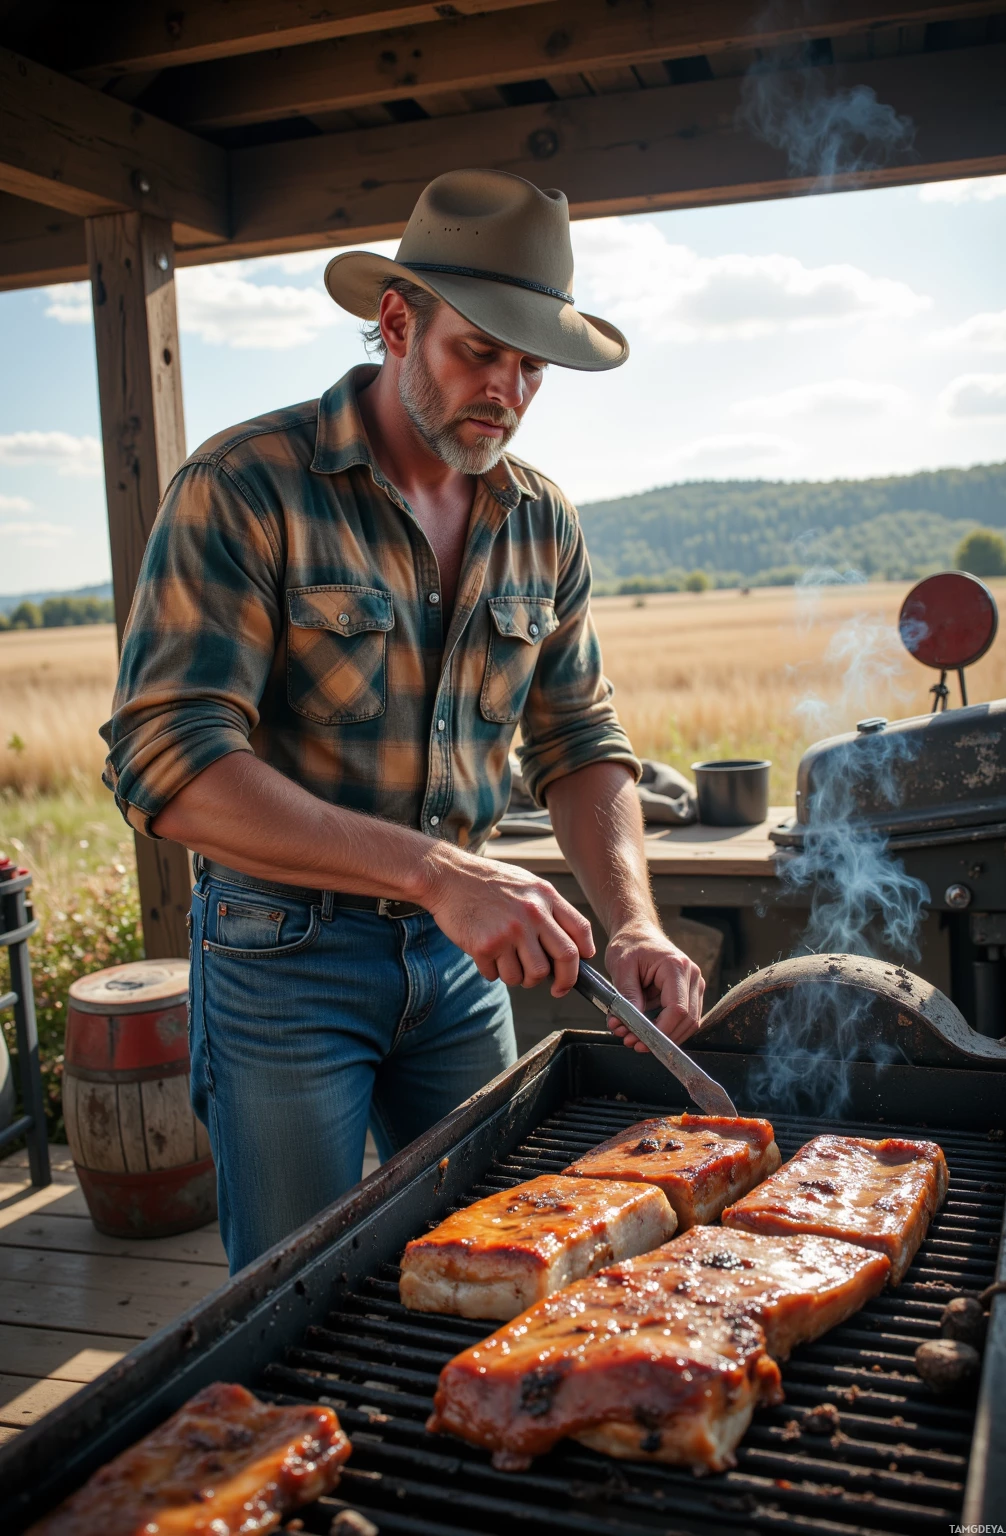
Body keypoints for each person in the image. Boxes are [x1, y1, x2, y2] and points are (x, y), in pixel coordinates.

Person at [101, 169, 704, 1273]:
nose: (508, 390)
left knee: (495, 1260)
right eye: (481, 350)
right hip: (282, 955)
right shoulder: (243, 485)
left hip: (459, 962)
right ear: (395, 322)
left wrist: (632, 923)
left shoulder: (541, 522)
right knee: (295, 1290)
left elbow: (579, 745)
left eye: (532, 366)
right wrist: (435, 870)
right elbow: (166, 764)